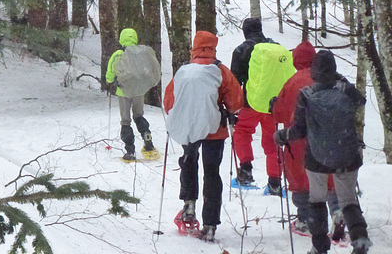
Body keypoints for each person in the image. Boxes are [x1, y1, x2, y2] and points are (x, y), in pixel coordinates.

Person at [274, 50, 371, 254]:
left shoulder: (306, 95)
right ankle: (360, 240)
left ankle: (319, 247)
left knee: (316, 201)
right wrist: (340, 80)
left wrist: (282, 136)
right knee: (348, 201)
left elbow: (299, 131)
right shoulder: (345, 89)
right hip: (347, 155)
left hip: (317, 157)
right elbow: (361, 100)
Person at [163, 31, 244, 242]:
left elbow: (169, 101)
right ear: (213, 47)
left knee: (189, 162)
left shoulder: (183, 71)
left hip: (190, 127)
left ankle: (188, 205)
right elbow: (236, 102)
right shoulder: (220, 71)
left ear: (194, 48)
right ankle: (210, 224)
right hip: (214, 129)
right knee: (212, 173)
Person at [270, 41, 343, 239]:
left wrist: (274, 106)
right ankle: (337, 211)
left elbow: (281, 114)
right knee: (330, 177)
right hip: (328, 139)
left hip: (298, 139)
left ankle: (306, 220)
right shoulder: (329, 80)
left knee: (300, 179)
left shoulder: (292, 82)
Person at [230, 17, 282, 195]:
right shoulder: (276, 48)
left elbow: (235, 83)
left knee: (242, 131)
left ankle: (245, 171)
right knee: (272, 141)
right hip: (272, 105)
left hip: (250, 103)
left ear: (245, 32)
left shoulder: (241, 50)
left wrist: (231, 107)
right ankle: (275, 182)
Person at [106, 28, 156, 161]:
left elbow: (111, 72)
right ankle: (147, 136)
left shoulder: (118, 54)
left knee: (125, 121)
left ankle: (130, 149)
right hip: (139, 90)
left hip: (123, 91)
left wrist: (110, 80)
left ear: (122, 39)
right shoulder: (141, 53)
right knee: (139, 115)